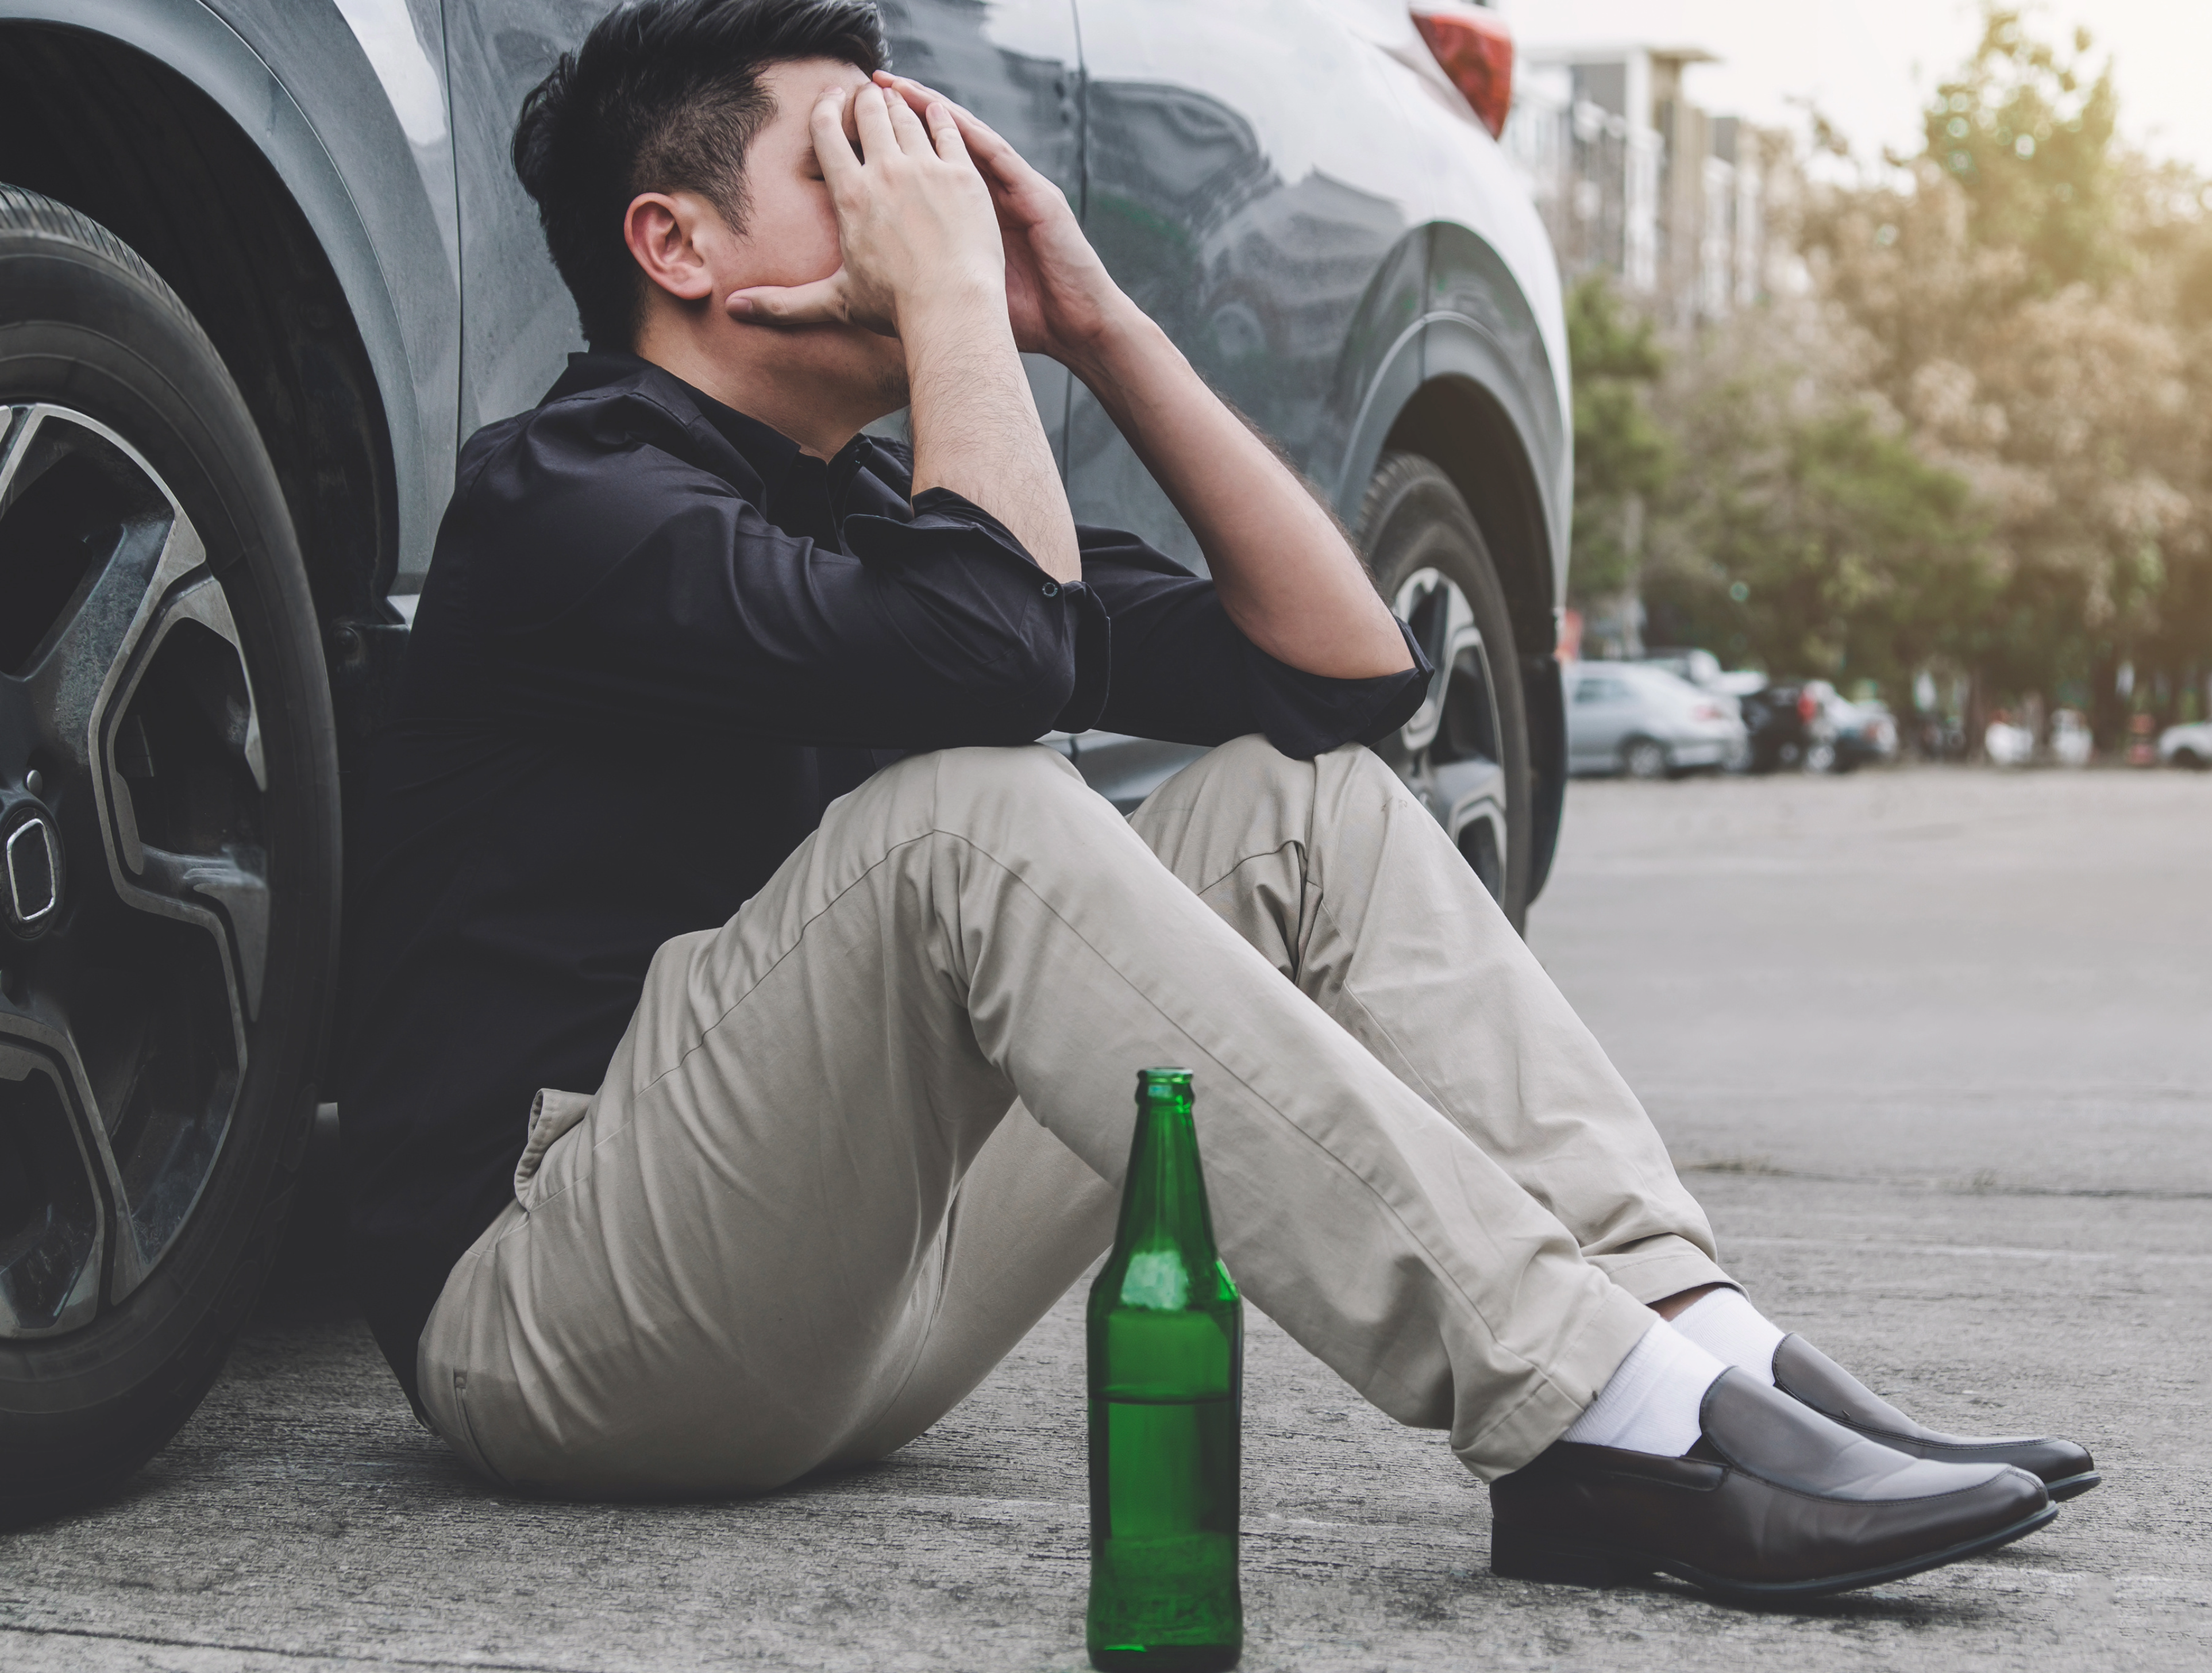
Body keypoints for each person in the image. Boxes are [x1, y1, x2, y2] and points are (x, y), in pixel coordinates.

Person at [340, 0, 2094, 1603]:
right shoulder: (567, 499)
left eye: (921, 153)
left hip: (846, 1313)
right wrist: (955, 301)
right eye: (854, 160)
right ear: (677, 242)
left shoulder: (873, 509)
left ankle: (1689, 1348)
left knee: (1292, 809)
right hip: (558, 1313)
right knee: (974, 813)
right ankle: (1594, 1415)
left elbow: (1345, 681)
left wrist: (1089, 319)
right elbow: (999, 661)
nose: (918, 193)